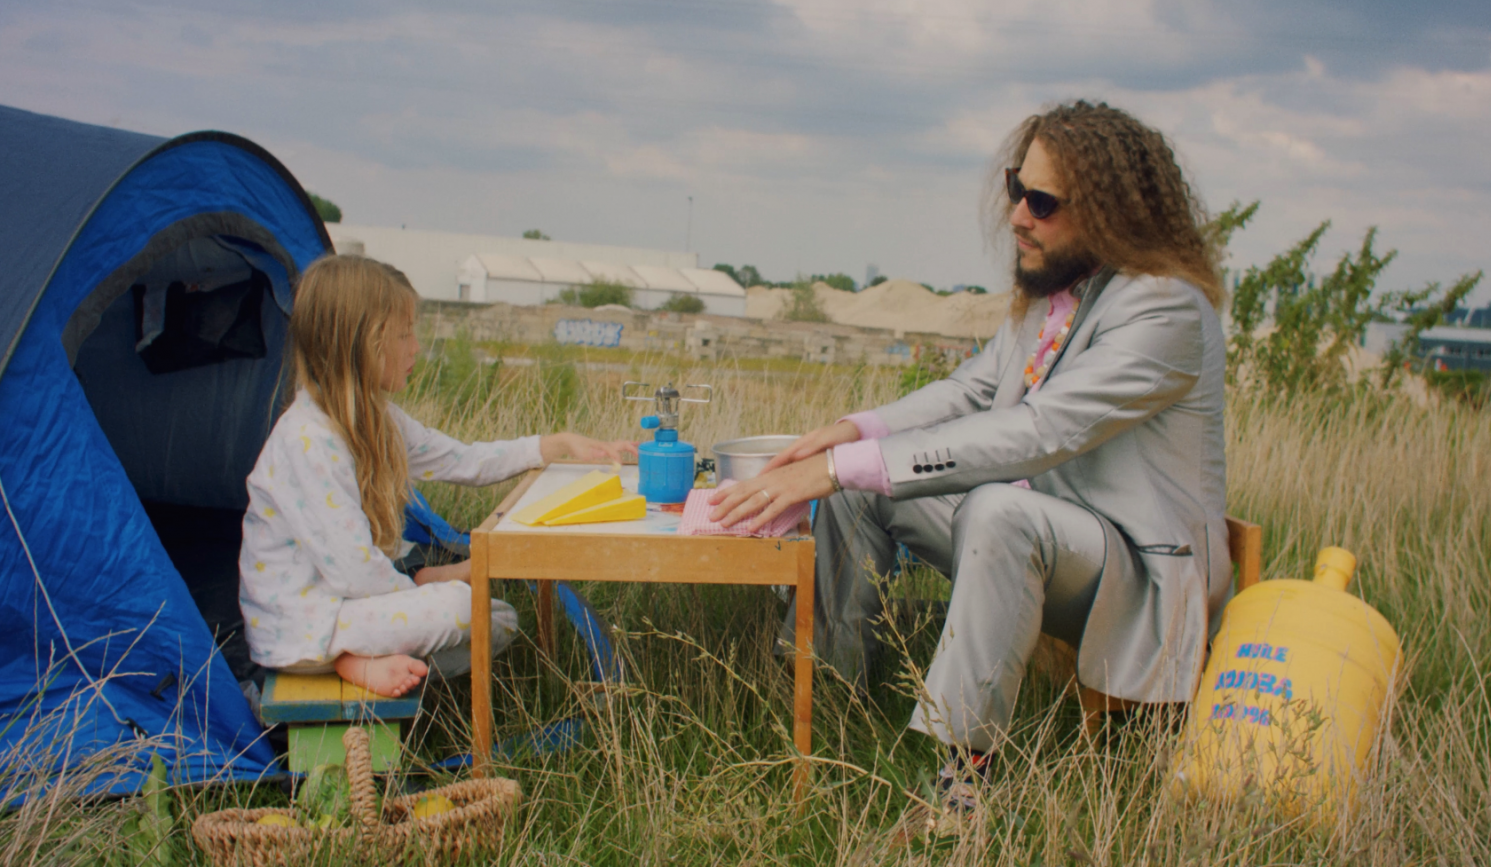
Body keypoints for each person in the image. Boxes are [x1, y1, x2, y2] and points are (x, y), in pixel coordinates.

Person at [710, 100, 1230, 820]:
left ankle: (966, 786)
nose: (1018, 214)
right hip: (1051, 536)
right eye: (1018, 187)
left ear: (1112, 212)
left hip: (1138, 576)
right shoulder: (1058, 295)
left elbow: (1040, 430)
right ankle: (832, 699)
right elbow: (973, 389)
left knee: (991, 506)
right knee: (863, 489)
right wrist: (848, 435)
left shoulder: (1164, 310)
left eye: (1042, 202)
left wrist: (840, 465)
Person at [239, 255, 635, 698]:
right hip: (299, 627)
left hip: (346, 610)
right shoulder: (308, 440)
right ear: (364, 342)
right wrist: (419, 589)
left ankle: (381, 642)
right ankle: (347, 663)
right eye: (405, 333)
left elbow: (464, 460)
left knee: (498, 619)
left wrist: (559, 443)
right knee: (462, 610)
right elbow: (357, 574)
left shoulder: (377, 419)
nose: (416, 348)